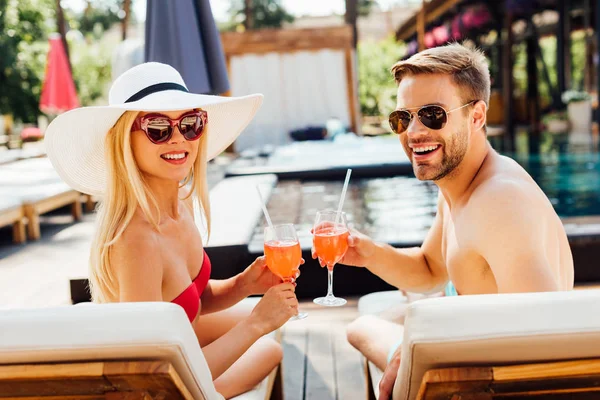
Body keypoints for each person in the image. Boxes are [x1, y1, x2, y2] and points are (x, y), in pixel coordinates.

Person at [314, 43, 574, 400]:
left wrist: (427, 347)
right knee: (378, 318)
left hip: (491, 382)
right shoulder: (458, 182)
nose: (414, 132)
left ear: (477, 116)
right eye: (403, 118)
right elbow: (430, 268)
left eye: (433, 115)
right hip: (480, 351)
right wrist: (367, 252)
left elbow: (546, 331)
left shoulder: (500, 201)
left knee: (362, 327)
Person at [45, 62, 300, 399]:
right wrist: (256, 324)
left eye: (190, 124)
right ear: (124, 140)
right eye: (157, 127)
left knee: (271, 347)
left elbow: (189, 299)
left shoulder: (181, 204)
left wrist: (244, 284)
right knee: (267, 344)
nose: (179, 138)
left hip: (176, 344)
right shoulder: (136, 240)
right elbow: (150, 373)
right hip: (154, 386)